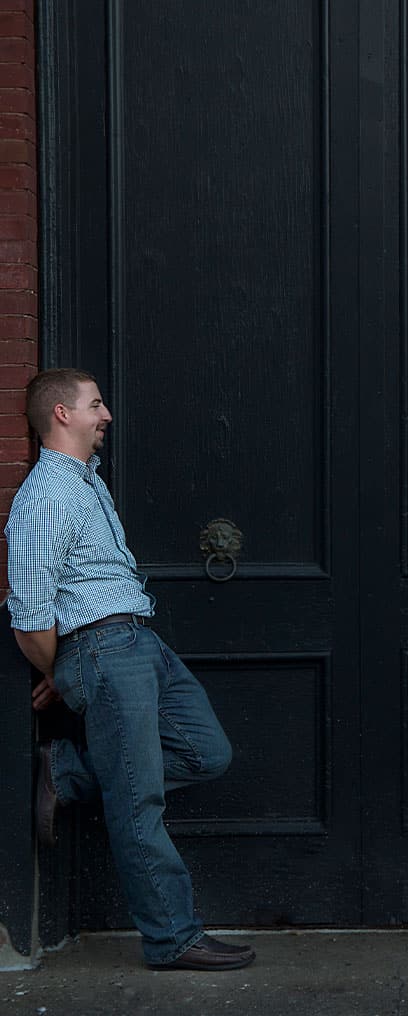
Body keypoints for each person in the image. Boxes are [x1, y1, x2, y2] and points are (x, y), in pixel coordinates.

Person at [5, 368, 256, 972]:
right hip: (104, 650)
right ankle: (172, 937)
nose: (107, 414)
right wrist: (64, 670)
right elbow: (30, 616)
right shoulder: (44, 497)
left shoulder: (86, 484)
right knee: (138, 799)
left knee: (206, 752)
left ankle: (63, 773)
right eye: (96, 404)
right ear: (62, 414)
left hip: (138, 642)